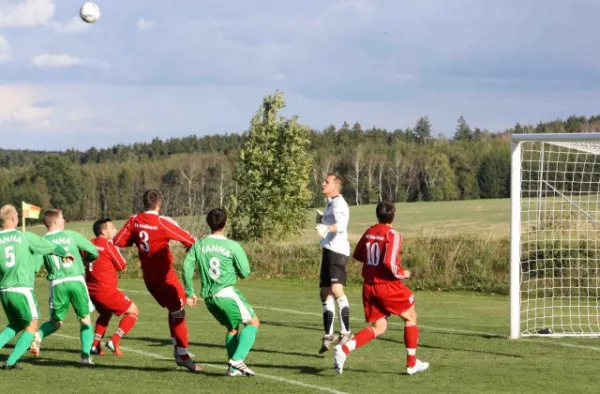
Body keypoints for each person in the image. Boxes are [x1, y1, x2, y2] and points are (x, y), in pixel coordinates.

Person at [332, 201, 429, 375]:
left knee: (380, 326)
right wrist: (402, 273)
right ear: (393, 216)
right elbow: (388, 262)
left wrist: (372, 263)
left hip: (369, 286)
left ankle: (344, 350)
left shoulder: (369, 232)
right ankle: (412, 364)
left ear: (377, 215)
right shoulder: (393, 234)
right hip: (387, 286)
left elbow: (358, 254)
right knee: (411, 316)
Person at [113, 189, 200, 372]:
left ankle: (179, 349)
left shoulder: (133, 221)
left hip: (148, 277)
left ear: (143, 204)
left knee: (174, 309)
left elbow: (119, 241)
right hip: (165, 276)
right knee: (179, 311)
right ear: (159, 204)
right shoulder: (161, 222)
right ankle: (182, 354)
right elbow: (190, 240)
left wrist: (136, 238)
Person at [183, 208, 259, 377]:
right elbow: (245, 271)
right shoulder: (232, 245)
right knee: (253, 323)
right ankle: (237, 359)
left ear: (209, 224)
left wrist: (189, 291)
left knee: (232, 329)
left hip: (209, 298)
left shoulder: (200, 244)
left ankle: (232, 370)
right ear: (225, 223)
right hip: (226, 293)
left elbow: (186, 266)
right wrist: (236, 272)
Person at [0, 204, 72, 370]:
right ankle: (10, 363)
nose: (18, 218)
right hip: (22, 289)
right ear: (12, 218)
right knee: (32, 324)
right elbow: (49, 247)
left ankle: (10, 360)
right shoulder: (24, 236)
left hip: (4, 290)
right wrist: (64, 253)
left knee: (15, 324)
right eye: (17, 215)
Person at [29, 209, 99, 365]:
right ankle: (85, 356)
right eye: (62, 218)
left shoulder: (42, 242)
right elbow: (93, 251)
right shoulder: (70, 235)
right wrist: (86, 261)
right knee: (85, 320)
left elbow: (35, 266)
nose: (64, 221)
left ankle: (39, 335)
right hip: (76, 280)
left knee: (56, 322)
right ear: (54, 222)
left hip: (57, 284)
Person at [87, 218, 140, 357]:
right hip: (106, 291)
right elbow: (121, 265)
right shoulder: (108, 245)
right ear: (104, 231)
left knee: (105, 314)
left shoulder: (88, 244)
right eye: (112, 228)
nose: (115, 230)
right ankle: (114, 340)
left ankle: (95, 346)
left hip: (91, 291)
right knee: (133, 311)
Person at [315, 173, 352, 353]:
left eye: (326, 182)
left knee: (336, 289)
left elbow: (342, 225)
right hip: (328, 249)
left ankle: (346, 332)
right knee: (324, 293)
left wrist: (326, 227)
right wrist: (321, 220)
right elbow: (331, 221)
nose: (323, 184)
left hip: (338, 251)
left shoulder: (339, 203)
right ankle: (329, 334)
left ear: (334, 187)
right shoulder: (330, 202)